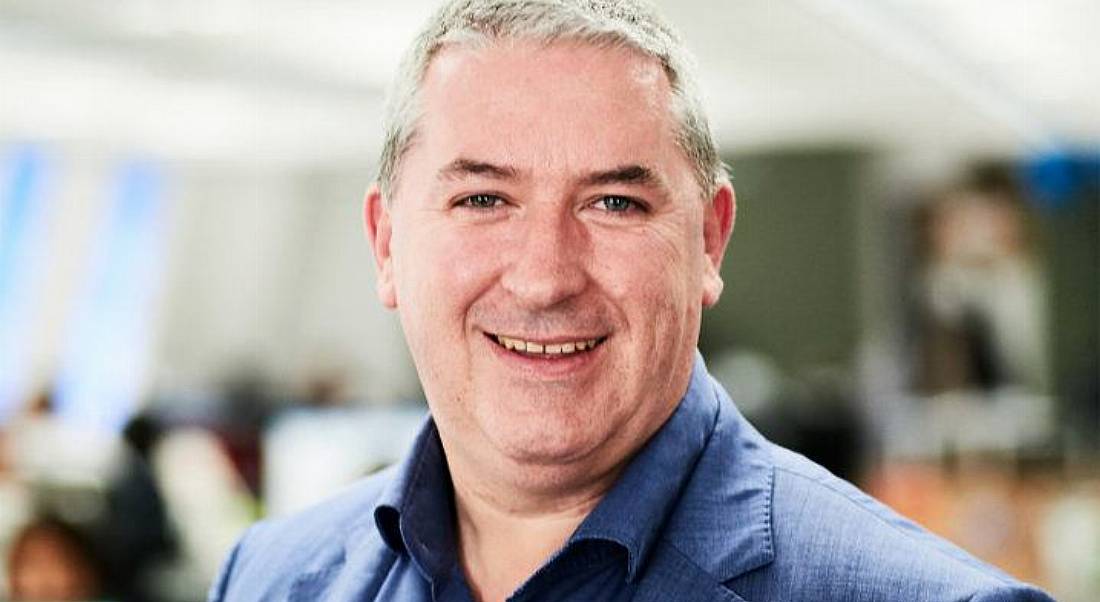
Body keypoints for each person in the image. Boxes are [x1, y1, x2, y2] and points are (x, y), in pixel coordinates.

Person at [208, 1, 1053, 600]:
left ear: (710, 241)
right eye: (482, 200)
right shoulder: (270, 579)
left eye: (614, 203)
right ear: (387, 244)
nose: (544, 277)